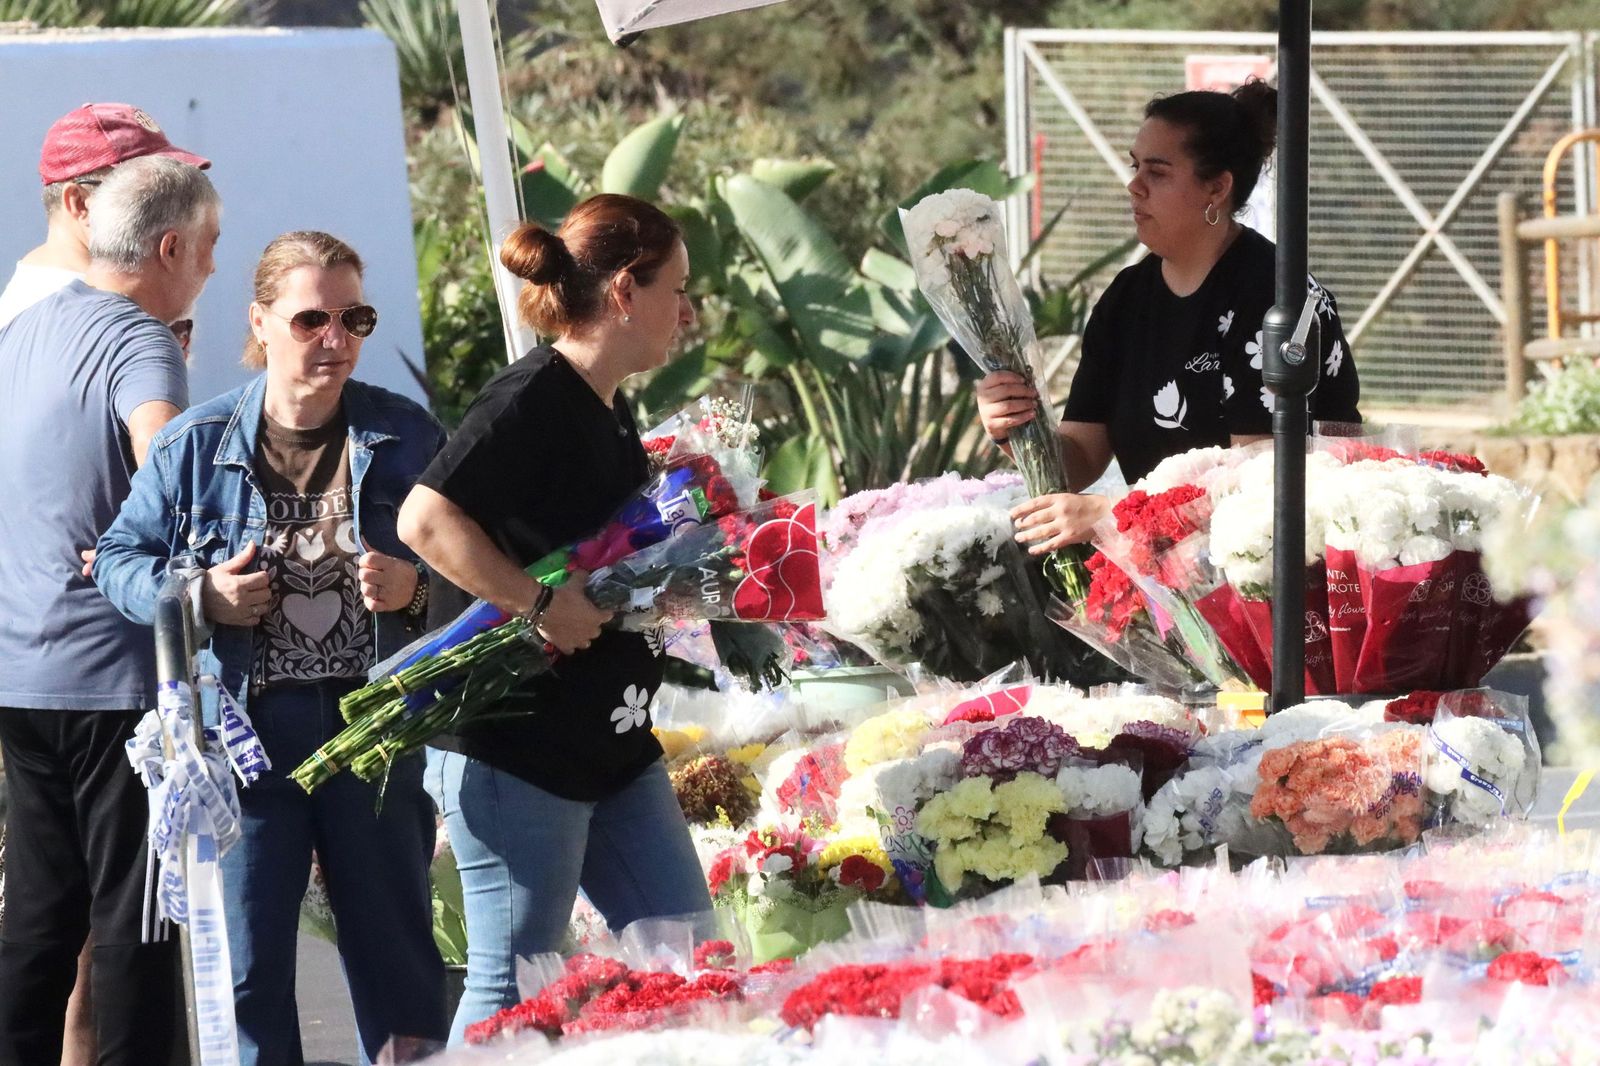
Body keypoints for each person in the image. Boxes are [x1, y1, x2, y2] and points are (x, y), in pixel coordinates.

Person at [93, 231, 449, 1066]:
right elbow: (117, 561)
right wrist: (200, 597)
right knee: (247, 972)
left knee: (398, 957)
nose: (336, 339)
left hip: (372, 732)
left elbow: (476, 563)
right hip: (247, 739)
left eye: (354, 317)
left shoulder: (405, 437)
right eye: (312, 318)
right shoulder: (197, 444)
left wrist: (419, 590)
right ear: (260, 320)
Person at [398, 193, 712, 1043]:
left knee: (689, 959)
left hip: (612, 741)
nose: (685, 311)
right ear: (622, 292)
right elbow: (423, 521)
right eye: (675, 289)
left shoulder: (606, 400)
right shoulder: (529, 396)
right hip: (519, 750)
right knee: (515, 987)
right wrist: (536, 603)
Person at [0, 154, 219, 1066]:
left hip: (21, 667)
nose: (210, 269)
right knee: (137, 916)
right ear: (168, 246)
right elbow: (168, 457)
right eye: (207, 251)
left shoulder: (23, 328)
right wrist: (172, 539)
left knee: (41, 916)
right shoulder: (141, 339)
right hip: (113, 674)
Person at [977, 81, 1361, 554]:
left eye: (1157, 172)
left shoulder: (1275, 300)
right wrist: (1014, 426)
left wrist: (1112, 514)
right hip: (1161, 572)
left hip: (1271, 575)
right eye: (1135, 165)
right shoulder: (1125, 300)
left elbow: (1259, 484)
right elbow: (1077, 461)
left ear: (1217, 188)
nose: (1133, 185)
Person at [0, 102, 210, 329]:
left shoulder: (92, 296)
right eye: (145, 194)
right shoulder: (70, 319)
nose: (168, 208)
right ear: (80, 203)